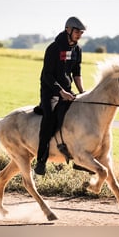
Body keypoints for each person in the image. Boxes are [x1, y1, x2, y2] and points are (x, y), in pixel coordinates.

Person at [34, 16, 86, 175]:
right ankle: (41, 161)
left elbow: (76, 73)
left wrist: (82, 92)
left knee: (79, 118)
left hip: (68, 91)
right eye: (77, 31)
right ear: (68, 30)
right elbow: (47, 76)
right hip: (50, 92)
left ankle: (79, 160)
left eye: (81, 32)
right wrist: (61, 92)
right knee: (49, 121)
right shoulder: (54, 48)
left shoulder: (77, 49)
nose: (79, 35)